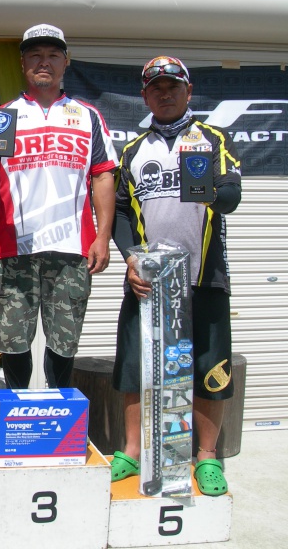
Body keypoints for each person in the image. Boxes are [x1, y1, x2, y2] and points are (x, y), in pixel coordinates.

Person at [110, 56, 242, 496]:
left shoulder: (213, 138)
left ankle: (206, 457)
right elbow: (122, 212)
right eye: (155, 88)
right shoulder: (132, 150)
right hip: (148, 276)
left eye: (172, 86)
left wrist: (210, 190)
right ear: (145, 96)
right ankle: (131, 450)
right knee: (134, 365)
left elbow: (231, 197)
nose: (164, 93)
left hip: (204, 276)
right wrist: (131, 258)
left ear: (188, 91)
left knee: (210, 367)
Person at [0, 24, 118, 390]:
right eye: (35, 55)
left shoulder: (87, 116)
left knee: (64, 343)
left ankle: (58, 419)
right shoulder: (4, 115)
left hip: (72, 249)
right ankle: (19, 414)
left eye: (53, 55)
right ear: (22, 63)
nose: (44, 62)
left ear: (65, 62)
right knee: (13, 342)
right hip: (13, 248)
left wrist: (103, 236)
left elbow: (103, 176)